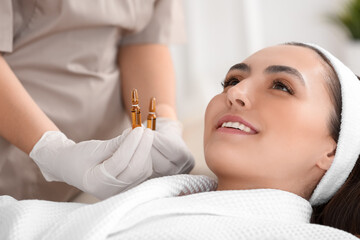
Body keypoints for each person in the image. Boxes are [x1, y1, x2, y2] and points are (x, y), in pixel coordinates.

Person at [1, 42, 360, 239]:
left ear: (334, 147)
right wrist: (50, 149)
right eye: (231, 80)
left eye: (281, 86)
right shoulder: (136, 210)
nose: (235, 93)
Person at [0, 0, 194, 201]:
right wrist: (50, 150)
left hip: (105, 171)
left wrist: (163, 120)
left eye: (231, 81)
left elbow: (143, 38)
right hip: (12, 156)